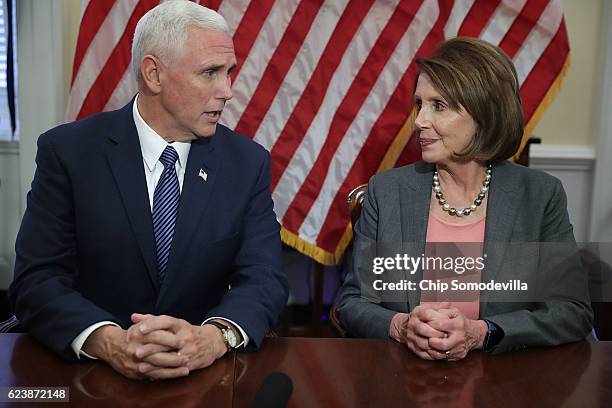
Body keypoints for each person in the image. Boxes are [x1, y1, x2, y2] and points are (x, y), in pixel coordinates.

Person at [9, 0, 288, 380]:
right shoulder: (70, 153)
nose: (227, 91)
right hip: (90, 375)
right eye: (210, 73)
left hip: (204, 376)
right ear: (154, 75)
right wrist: (107, 341)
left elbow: (264, 277)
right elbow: (36, 280)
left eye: (229, 73)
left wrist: (213, 337)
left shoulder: (246, 163)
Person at [336, 37, 592, 360]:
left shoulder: (539, 197)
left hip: (503, 385)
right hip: (402, 382)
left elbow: (573, 311)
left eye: (438, 106)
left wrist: (482, 332)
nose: (419, 121)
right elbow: (351, 303)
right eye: (420, 104)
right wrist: (401, 326)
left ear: (483, 114)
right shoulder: (385, 192)